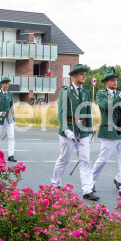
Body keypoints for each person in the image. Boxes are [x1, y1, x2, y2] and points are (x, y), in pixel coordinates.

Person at [51, 64, 98, 201]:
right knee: (64, 158)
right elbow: (62, 112)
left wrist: (90, 131)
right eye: (81, 73)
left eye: (85, 73)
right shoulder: (65, 92)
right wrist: (66, 129)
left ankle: (87, 189)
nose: (84, 76)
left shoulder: (86, 92)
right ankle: (55, 183)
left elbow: (88, 112)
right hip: (69, 130)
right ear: (74, 76)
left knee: (85, 160)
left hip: (83, 131)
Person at [91, 70, 121, 198]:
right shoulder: (101, 94)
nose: (115, 81)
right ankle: (90, 182)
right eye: (112, 79)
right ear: (106, 82)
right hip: (109, 131)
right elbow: (106, 107)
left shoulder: (120, 95)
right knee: (103, 160)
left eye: (116, 79)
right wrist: (120, 98)